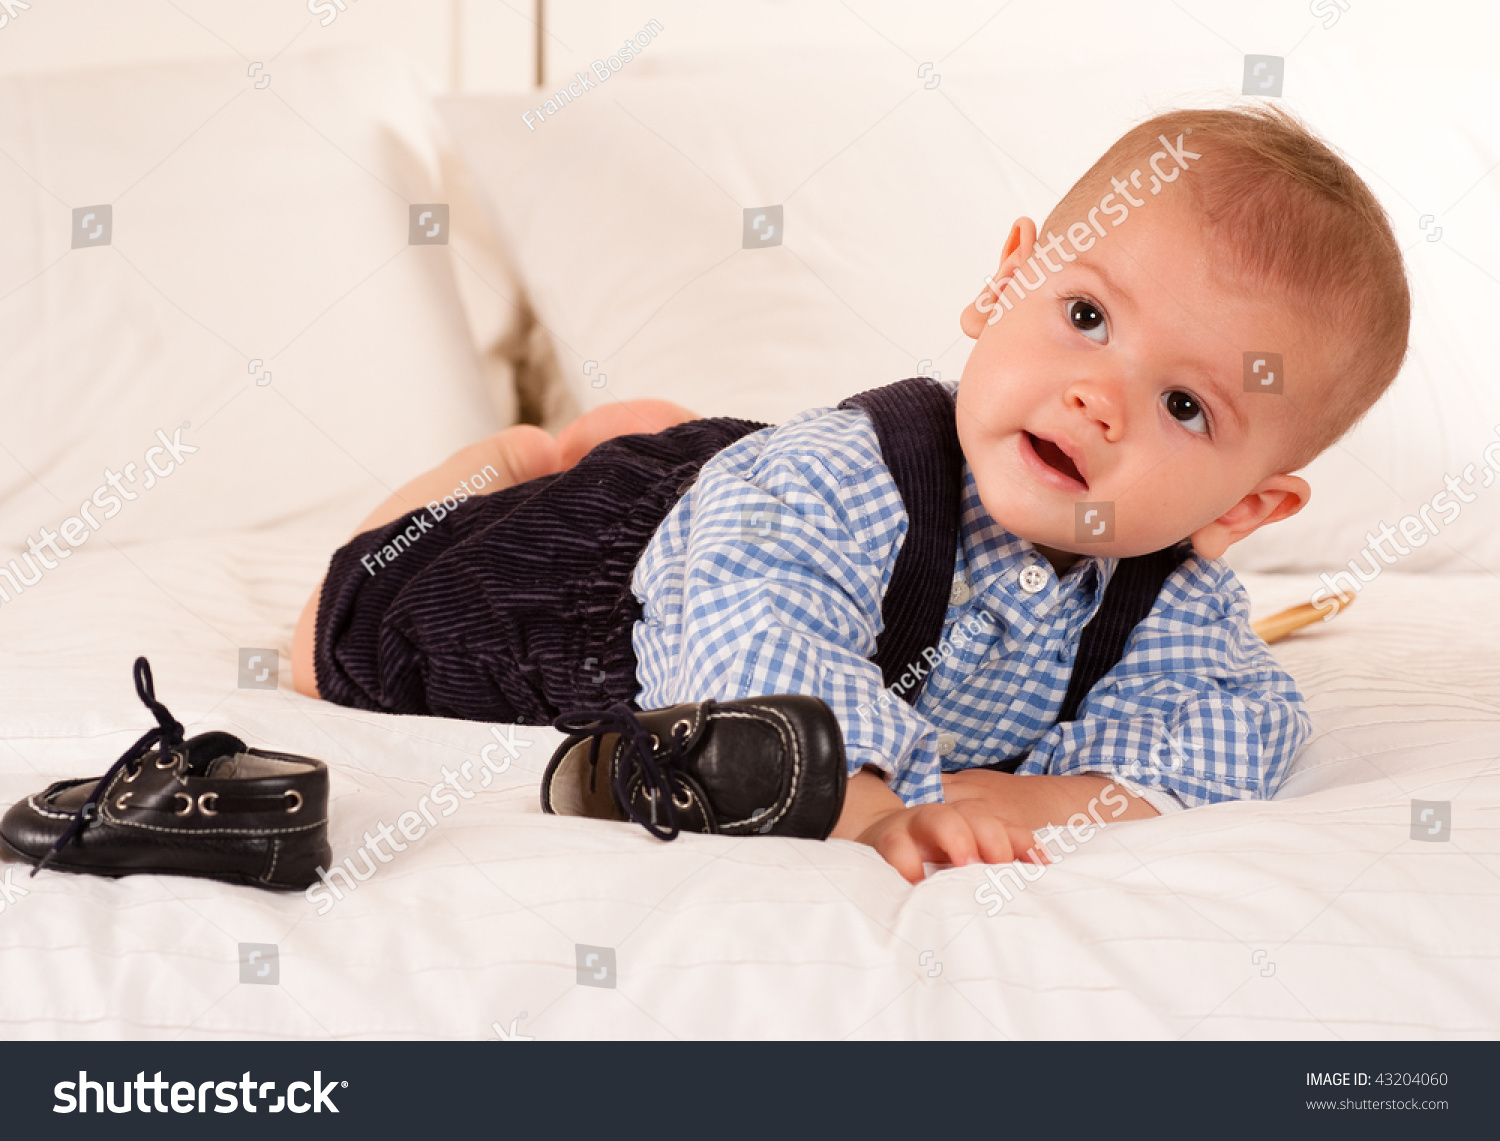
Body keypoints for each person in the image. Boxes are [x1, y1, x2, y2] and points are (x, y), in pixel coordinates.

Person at [291, 104, 1410, 883]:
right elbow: (754, 634)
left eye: (1184, 408)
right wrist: (870, 802)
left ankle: (644, 440)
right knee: (338, 632)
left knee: (704, 467)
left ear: (1240, 511)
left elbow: (1241, 727)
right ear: (1006, 281)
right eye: (1086, 318)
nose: (1098, 400)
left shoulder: (1168, 599)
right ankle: (517, 458)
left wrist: (1033, 799)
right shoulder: (853, 479)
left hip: (733, 479)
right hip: (607, 579)